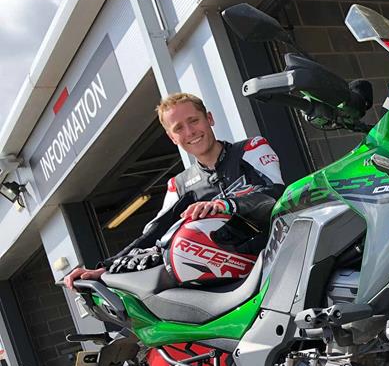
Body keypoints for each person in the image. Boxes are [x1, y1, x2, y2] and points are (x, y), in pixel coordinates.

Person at [65, 92, 284, 289]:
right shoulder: (178, 185)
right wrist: (104, 269)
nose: (190, 132)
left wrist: (223, 205)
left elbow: (276, 195)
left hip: (281, 258)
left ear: (209, 119)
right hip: (229, 283)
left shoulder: (250, 149)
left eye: (194, 121)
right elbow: (154, 236)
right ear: (172, 138)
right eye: (178, 128)